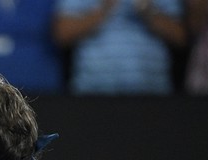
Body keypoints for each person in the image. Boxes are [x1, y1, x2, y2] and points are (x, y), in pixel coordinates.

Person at [53, 0, 187, 95]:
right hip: (92, 92)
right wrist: (103, 10)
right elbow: (62, 34)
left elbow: (181, 38)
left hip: (153, 93)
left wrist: (149, 12)